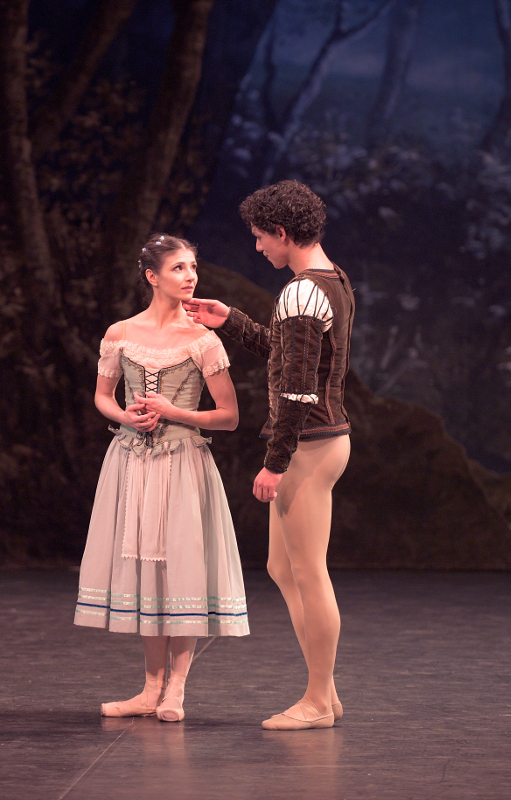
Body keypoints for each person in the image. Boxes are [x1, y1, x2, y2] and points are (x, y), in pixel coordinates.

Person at [185, 180, 355, 731]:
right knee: (282, 568)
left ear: (282, 233)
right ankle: (323, 694)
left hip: (309, 446)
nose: (259, 248)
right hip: (317, 442)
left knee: (308, 571)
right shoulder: (332, 281)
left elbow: (299, 390)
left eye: (261, 238)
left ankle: (317, 699)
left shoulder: (302, 291)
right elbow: (290, 356)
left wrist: (275, 462)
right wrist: (231, 320)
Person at [74, 234, 249, 722]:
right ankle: (150, 688)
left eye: (193, 266)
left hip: (182, 463)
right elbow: (103, 397)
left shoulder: (202, 340)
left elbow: (230, 416)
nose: (190, 275)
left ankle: (177, 688)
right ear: (152, 276)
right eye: (178, 268)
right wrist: (128, 417)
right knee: (147, 567)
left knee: (181, 568)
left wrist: (176, 412)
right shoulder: (121, 333)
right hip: (133, 462)